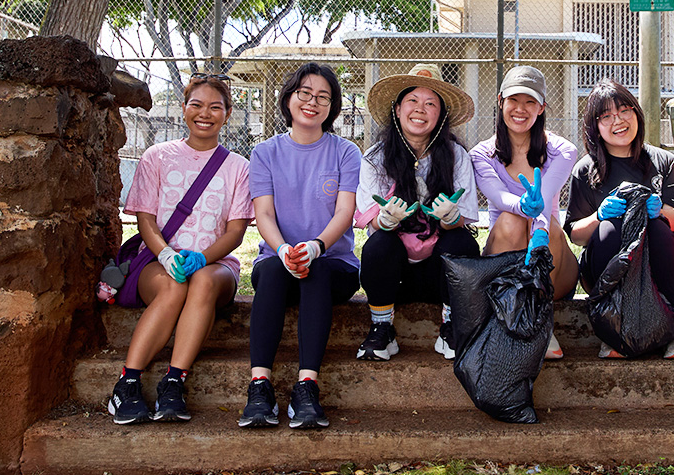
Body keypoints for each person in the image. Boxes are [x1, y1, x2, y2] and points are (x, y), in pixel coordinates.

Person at [109, 73, 253, 424]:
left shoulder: (239, 167)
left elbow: (236, 231)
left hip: (216, 264)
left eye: (215, 107)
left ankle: (174, 382)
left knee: (201, 281)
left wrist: (204, 257)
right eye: (197, 105)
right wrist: (168, 254)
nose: (205, 113)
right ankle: (127, 384)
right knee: (175, 285)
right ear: (184, 109)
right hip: (159, 260)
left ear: (227, 113)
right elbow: (145, 219)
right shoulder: (157, 156)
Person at [239, 63, 362, 429]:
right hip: (278, 261)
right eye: (304, 93)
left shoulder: (346, 152)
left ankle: (306, 387)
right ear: (289, 98)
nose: (313, 102)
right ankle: (259, 387)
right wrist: (283, 250)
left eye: (323, 97)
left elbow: (345, 211)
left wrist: (316, 247)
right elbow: (263, 214)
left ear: (333, 106)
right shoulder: (264, 153)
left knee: (318, 271)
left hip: (332, 264)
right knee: (275, 269)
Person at [354, 64, 480, 361]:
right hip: (395, 276)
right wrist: (384, 220)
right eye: (412, 100)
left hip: (439, 275)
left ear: (441, 115)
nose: (420, 109)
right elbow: (369, 218)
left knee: (463, 242)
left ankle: (451, 326)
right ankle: (381, 328)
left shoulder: (456, 156)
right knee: (378, 245)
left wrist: (450, 218)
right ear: (397, 109)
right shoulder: (375, 158)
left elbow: (462, 219)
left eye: (430, 103)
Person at [564, 78, 674, 360]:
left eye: (624, 110)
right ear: (595, 127)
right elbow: (575, 234)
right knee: (611, 229)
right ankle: (611, 331)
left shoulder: (663, 161)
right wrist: (599, 216)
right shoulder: (585, 170)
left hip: (655, 262)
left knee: (658, 229)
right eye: (607, 116)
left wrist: (659, 210)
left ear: (636, 113)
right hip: (605, 266)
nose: (618, 121)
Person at [470, 65, 579, 359]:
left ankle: (540, 318)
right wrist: (523, 207)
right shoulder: (481, 153)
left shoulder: (563, 150)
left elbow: (544, 197)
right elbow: (497, 196)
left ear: (542, 107)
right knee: (511, 220)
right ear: (500, 101)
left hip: (552, 264)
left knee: (550, 226)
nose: (521, 109)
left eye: (530, 101)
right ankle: (513, 316)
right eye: (514, 100)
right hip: (506, 254)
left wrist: (540, 232)